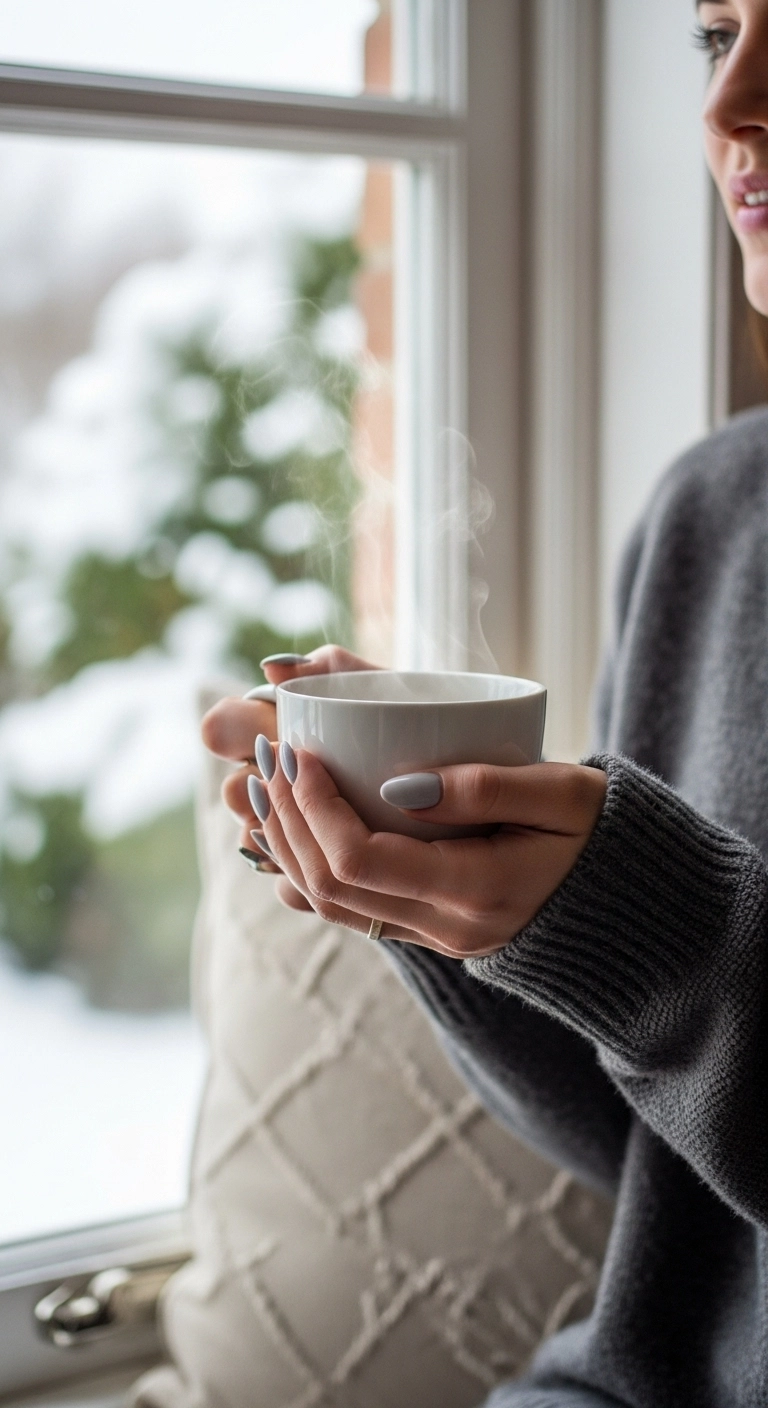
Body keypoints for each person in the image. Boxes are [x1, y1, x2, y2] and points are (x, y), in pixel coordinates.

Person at [202, 3, 768, 1403]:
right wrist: (451, 909)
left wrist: (671, 936)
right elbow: (661, 1175)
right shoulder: (716, 518)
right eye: (716, 36)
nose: (735, 104)